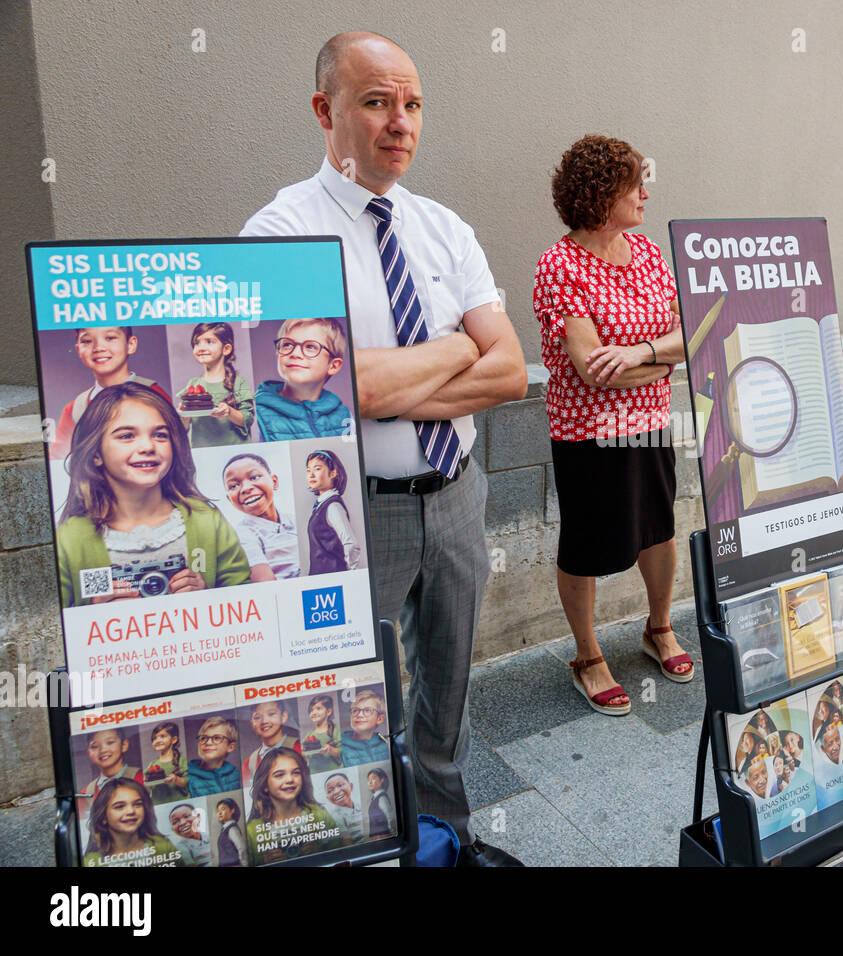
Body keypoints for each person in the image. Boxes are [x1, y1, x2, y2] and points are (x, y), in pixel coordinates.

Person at [240, 30, 527, 866]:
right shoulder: (280, 232)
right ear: (327, 112)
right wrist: (450, 347)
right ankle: (361, 848)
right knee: (348, 694)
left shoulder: (443, 227)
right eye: (376, 102)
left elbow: (508, 370)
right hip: (352, 511)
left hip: (458, 492)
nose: (400, 122)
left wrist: (382, 382)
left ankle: (448, 838)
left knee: (447, 688)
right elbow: (334, 392)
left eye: (412, 104)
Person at [533, 134, 691, 717]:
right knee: (585, 543)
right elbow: (590, 370)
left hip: (649, 421)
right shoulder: (560, 265)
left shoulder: (648, 253)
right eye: (634, 185)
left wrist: (639, 351)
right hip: (588, 431)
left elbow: (689, 335)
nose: (645, 194)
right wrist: (659, 361)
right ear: (601, 194)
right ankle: (588, 653)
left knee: (658, 527)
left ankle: (658, 627)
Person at [55, 382, 252, 607]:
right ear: (96, 454)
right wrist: (93, 614)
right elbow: (54, 625)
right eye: (127, 436)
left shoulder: (207, 520)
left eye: (160, 435)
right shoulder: (71, 539)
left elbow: (245, 599)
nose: (148, 446)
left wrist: (208, 597)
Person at [50, 326, 171, 459]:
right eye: (87, 341)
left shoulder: (155, 395)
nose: (98, 348)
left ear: (130, 345)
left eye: (110, 338)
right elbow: (58, 459)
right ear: (78, 349)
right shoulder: (75, 409)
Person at [253, 317, 352, 440]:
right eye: (287, 344)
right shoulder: (255, 413)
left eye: (310, 347)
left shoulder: (344, 416)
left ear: (333, 365)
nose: (295, 353)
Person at [245, 748, 348, 865]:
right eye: (279, 775)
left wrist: (320, 854)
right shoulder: (251, 831)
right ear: (265, 785)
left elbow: (339, 856)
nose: (290, 779)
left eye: (295, 772)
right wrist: (263, 863)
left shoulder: (320, 815)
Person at [222, 452, 299, 582]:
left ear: (274, 482)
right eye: (234, 486)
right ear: (229, 499)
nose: (246, 488)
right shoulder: (243, 534)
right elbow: (266, 585)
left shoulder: (297, 520)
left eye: (254, 477)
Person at [178, 322, 255, 447]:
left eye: (209, 342)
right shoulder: (192, 384)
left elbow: (248, 419)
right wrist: (183, 417)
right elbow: (184, 428)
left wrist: (229, 412)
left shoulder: (238, 382)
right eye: (197, 343)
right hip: (203, 454)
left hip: (235, 451)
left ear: (226, 349)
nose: (201, 347)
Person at [82, 779, 179, 867]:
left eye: (137, 804)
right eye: (119, 806)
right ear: (103, 817)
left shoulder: (163, 846)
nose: (131, 811)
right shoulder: (91, 861)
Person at [304, 449, 361, 573]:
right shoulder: (322, 505)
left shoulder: (333, 506)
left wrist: (350, 574)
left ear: (333, 473)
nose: (311, 474)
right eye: (308, 470)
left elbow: (351, 544)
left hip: (332, 576)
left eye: (317, 469)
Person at [78, 728, 143, 807]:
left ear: (124, 745)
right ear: (89, 753)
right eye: (94, 746)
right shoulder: (86, 794)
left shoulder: (143, 779)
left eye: (110, 742)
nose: (103, 750)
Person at [240, 699, 302, 782]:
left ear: (283, 717)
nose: (264, 721)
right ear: (252, 724)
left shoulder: (301, 748)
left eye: (271, 714)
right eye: (257, 717)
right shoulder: (250, 763)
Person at [188, 715, 241, 796]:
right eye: (203, 738)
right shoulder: (188, 777)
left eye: (216, 738)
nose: (208, 742)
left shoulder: (235, 775)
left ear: (230, 747)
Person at [143, 721, 188, 804]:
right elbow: (149, 790)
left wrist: (176, 779)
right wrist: (145, 783)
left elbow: (187, 782)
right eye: (154, 738)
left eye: (162, 736)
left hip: (179, 803)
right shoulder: (152, 764)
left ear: (174, 739)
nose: (157, 740)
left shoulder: (181, 761)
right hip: (159, 804)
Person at [340, 689, 388, 765]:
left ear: (380, 719)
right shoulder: (340, 747)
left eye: (367, 710)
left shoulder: (385, 745)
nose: (359, 715)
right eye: (355, 710)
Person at [302, 694, 343, 773]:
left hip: (334, 771)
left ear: (328, 711)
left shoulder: (336, 731)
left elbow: (343, 752)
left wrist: (331, 750)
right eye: (311, 710)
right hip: (314, 773)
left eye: (318, 708)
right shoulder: (309, 735)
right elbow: (304, 752)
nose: (314, 712)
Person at [323, 772, 367, 843]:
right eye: (330, 791)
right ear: (328, 798)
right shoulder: (335, 817)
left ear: (351, 786)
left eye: (340, 785)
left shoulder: (362, 806)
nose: (336, 791)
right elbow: (347, 843)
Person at [168, 803, 212, 867]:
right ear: (173, 829)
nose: (182, 823)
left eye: (187, 816)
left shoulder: (209, 835)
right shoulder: (180, 847)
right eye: (175, 822)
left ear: (198, 817)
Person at [214, 798, 249, 867]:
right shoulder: (225, 829)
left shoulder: (232, 829)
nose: (219, 813)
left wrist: (244, 865)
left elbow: (242, 849)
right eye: (218, 810)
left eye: (223, 809)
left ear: (232, 810)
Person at [365, 768, 396, 838]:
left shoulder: (382, 798)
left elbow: (390, 818)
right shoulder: (374, 798)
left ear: (382, 780)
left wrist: (391, 834)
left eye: (373, 778)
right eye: (368, 780)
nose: (370, 782)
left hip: (384, 836)